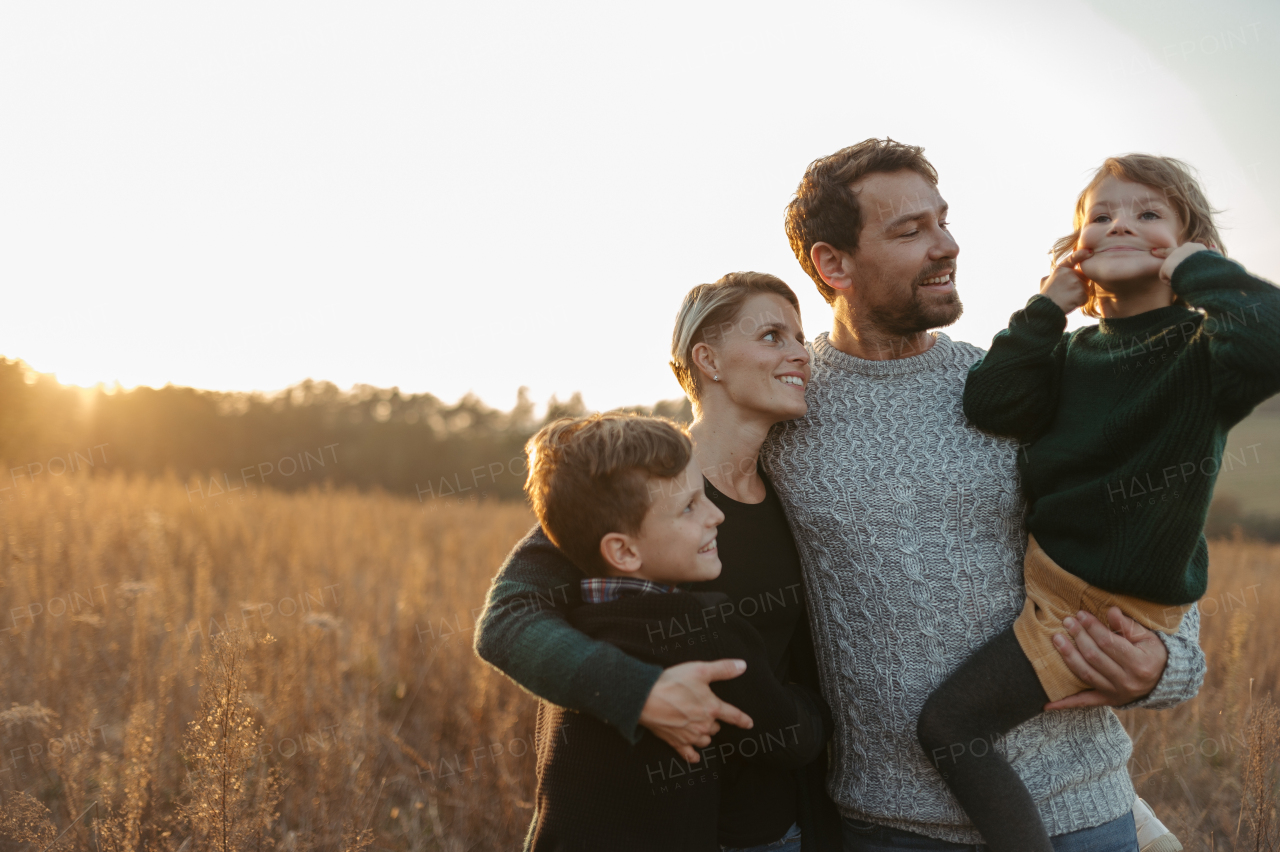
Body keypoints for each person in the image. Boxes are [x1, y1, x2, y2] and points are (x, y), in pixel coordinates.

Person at [768, 138, 1206, 851]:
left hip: (1081, 814)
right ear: (832, 263)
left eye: (942, 221)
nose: (947, 246)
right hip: (888, 827)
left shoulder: (1023, 383)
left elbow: (1158, 526)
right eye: (910, 231)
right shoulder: (781, 407)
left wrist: (1168, 663)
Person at [913, 154, 1280, 852]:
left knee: (950, 727)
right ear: (1077, 246)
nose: (1121, 226)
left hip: (1101, 614)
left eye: (1148, 216)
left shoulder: (1203, 355)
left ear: (1187, 242)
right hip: (1056, 587)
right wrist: (1051, 304)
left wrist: (1196, 267)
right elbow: (992, 400)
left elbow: (1270, 335)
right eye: (1101, 216)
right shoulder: (1071, 352)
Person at [476, 272, 843, 851]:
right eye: (773, 335)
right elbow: (507, 622)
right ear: (708, 360)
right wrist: (639, 692)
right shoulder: (638, 482)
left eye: (801, 337)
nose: (801, 353)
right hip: (645, 828)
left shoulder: (795, 492)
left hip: (769, 830)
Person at [518, 413, 831, 851]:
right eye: (689, 507)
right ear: (623, 551)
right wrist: (818, 703)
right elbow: (789, 737)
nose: (716, 515)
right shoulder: (704, 630)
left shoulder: (570, 626)